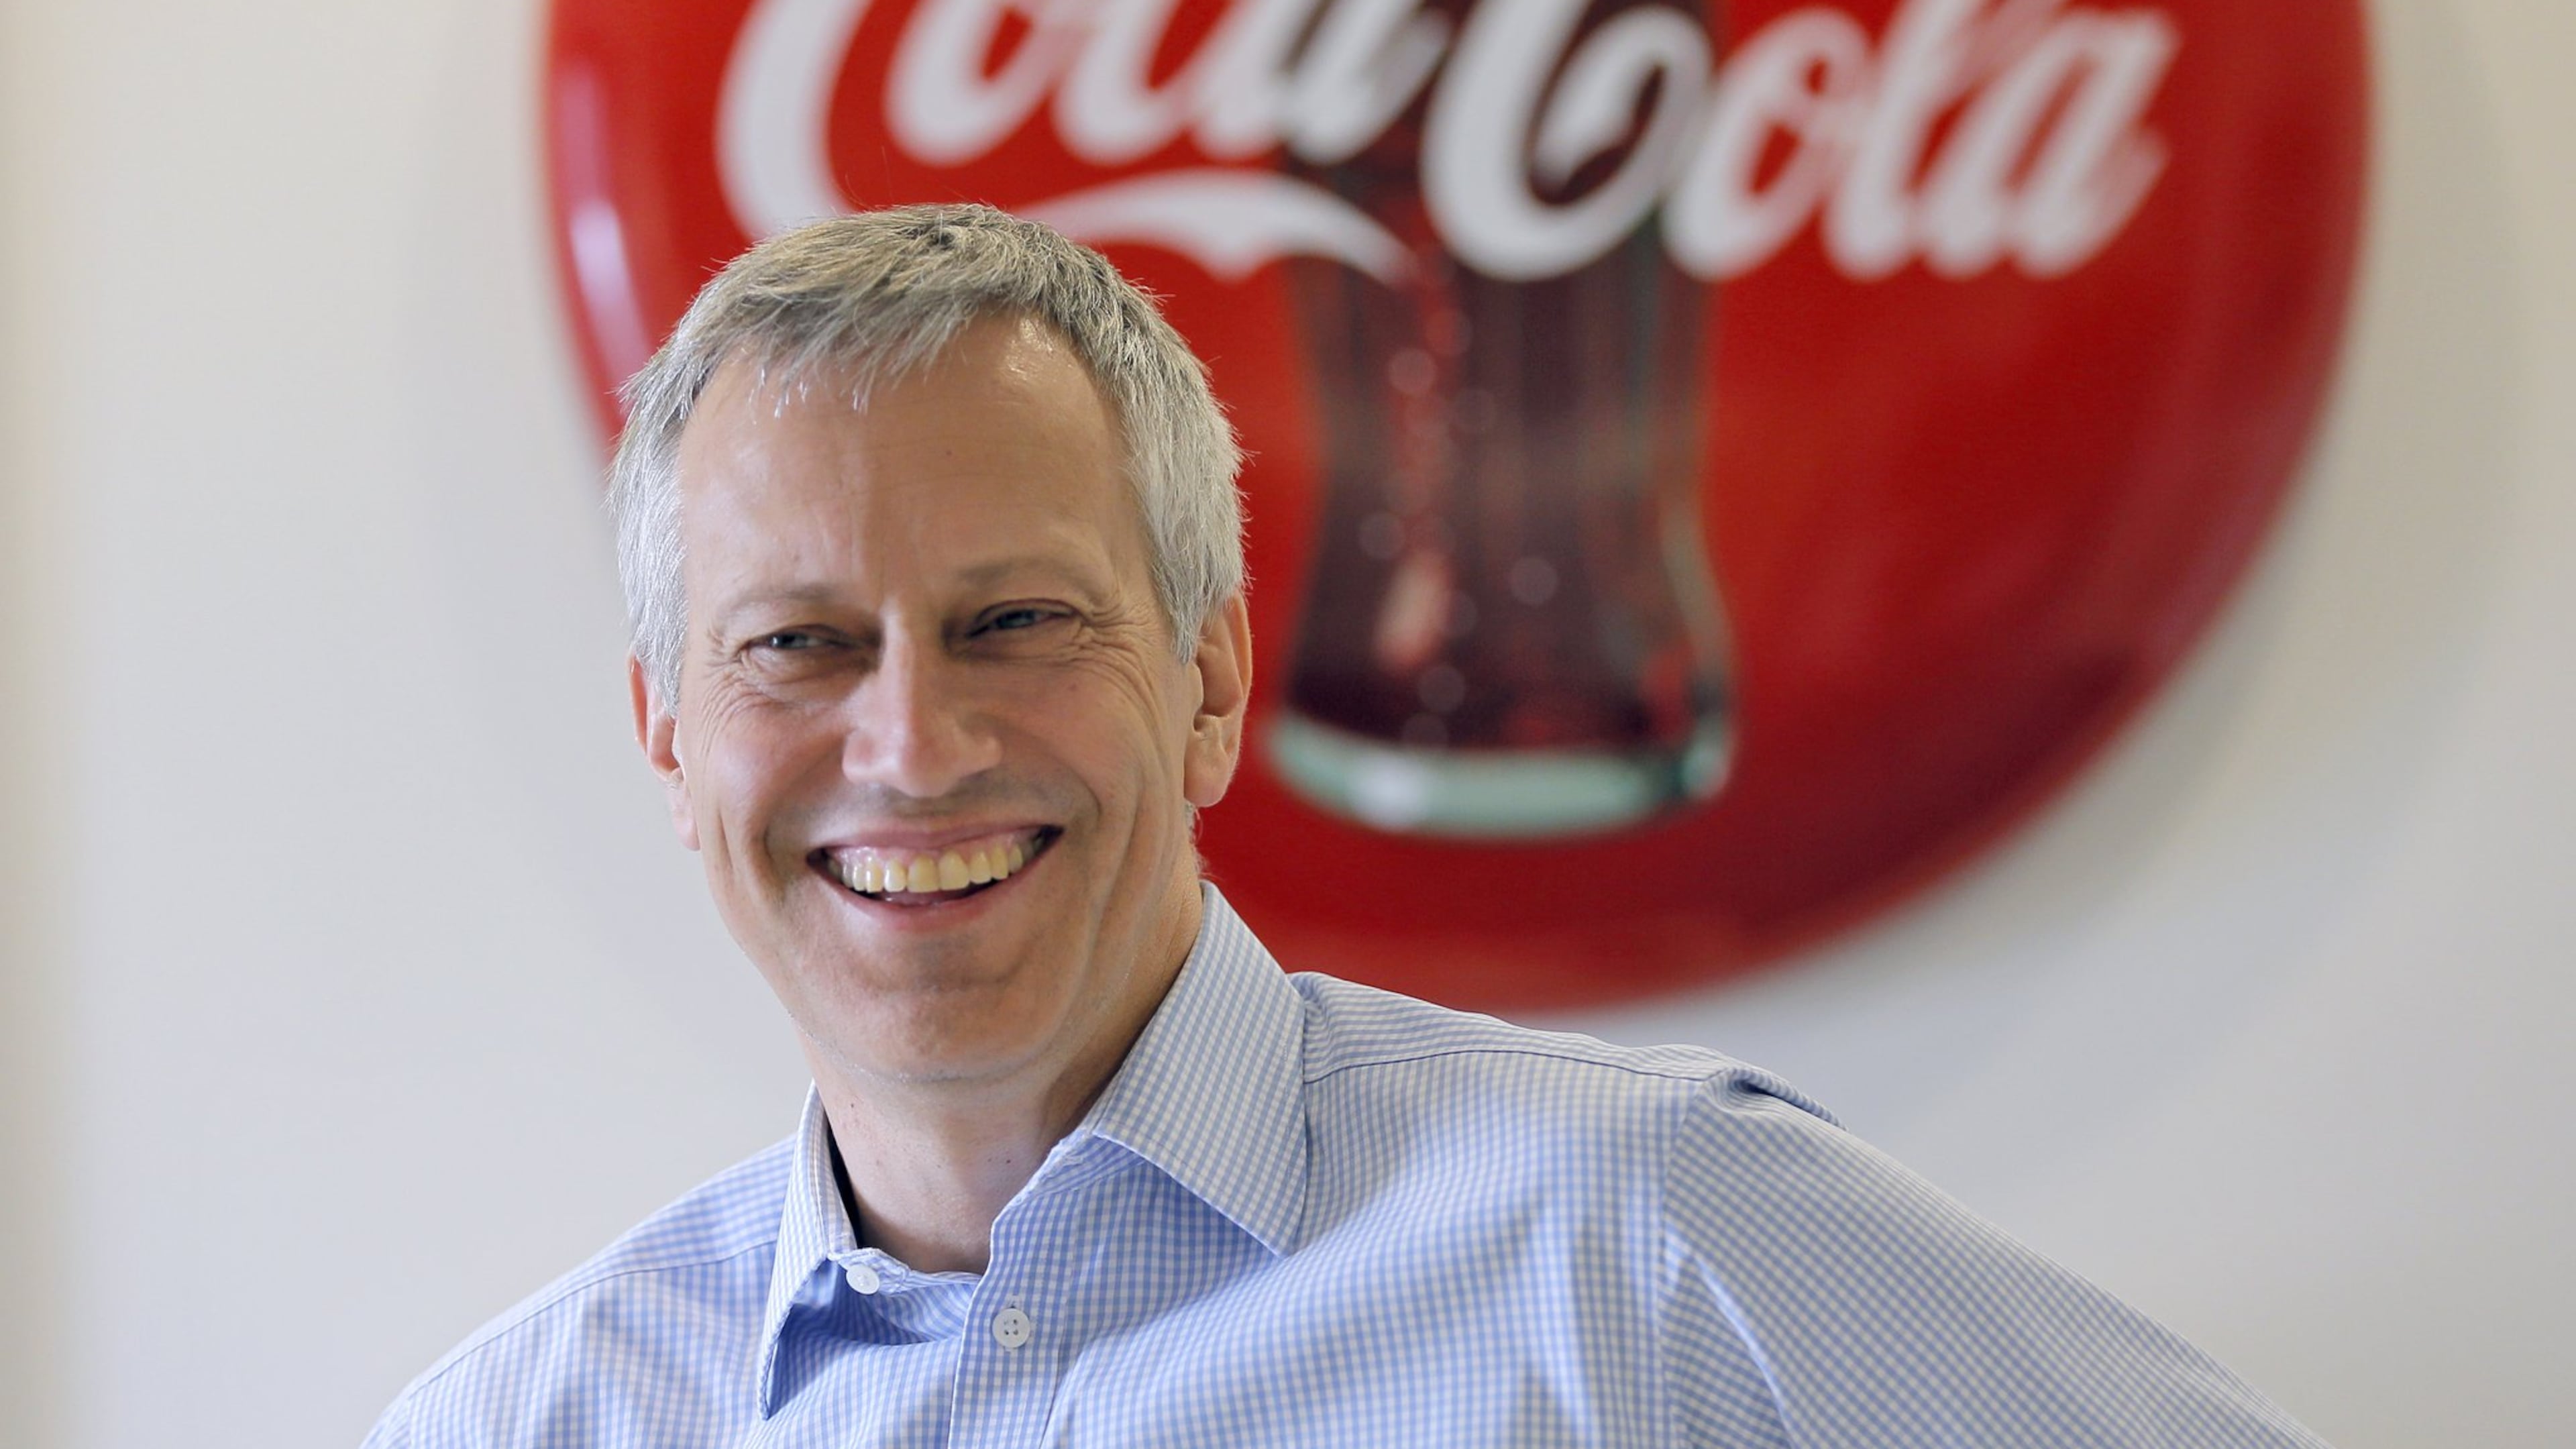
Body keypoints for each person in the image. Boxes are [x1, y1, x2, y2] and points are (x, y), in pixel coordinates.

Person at [363, 205, 2329, 1447]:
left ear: (1212, 680)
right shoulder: (525, 1420)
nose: (912, 740)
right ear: (667, 738)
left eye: (1017, 621)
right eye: (796, 644)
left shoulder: (1643, 1242)